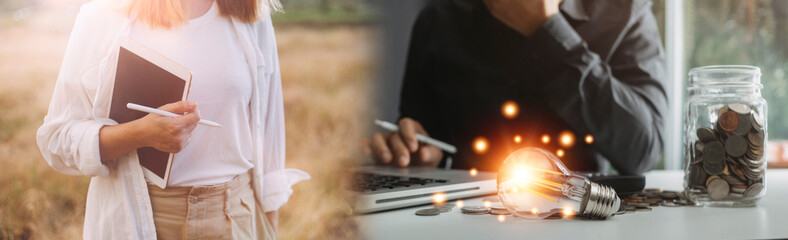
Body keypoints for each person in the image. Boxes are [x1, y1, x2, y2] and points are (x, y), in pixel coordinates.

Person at [36, 0, 309, 239]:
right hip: (142, 219)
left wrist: (269, 231)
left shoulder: (252, 14)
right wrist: (139, 134)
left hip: (238, 220)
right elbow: (56, 139)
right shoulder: (101, 17)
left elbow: (270, 148)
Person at [366, 0, 667, 175]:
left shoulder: (623, 12)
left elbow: (643, 150)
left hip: (580, 221)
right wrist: (415, 149)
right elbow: (424, 139)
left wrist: (547, 29)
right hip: (460, 222)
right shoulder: (440, 18)